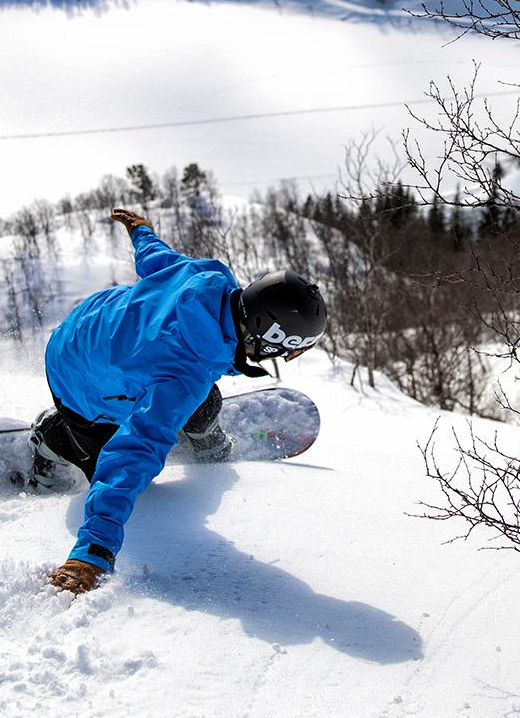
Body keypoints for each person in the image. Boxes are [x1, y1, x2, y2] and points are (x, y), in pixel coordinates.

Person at [39, 207, 328, 594]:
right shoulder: (185, 373)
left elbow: (156, 258)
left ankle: (203, 434)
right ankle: (55, 438)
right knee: (125, 462)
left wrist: (141, 230)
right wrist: (91, 551)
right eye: (287, 351)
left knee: (197, 397)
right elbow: (133, 451)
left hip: (95, 317)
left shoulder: (208, 278)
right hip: (76, 376)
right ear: (267, 338)